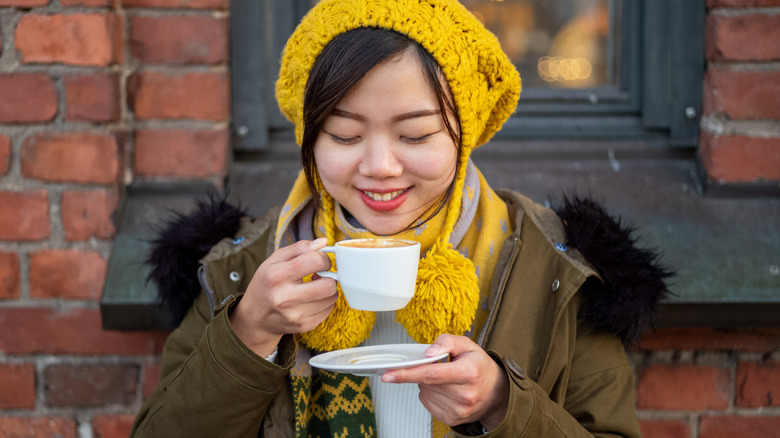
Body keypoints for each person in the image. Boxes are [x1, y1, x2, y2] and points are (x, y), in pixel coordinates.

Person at [130, 0, 672, 437]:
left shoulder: (556, 267)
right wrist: (246, 335)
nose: (379, 167)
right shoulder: (245, 269)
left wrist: (505, 406)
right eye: (344, 135)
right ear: (309, 136)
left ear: (463, 137)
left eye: (414, 135)